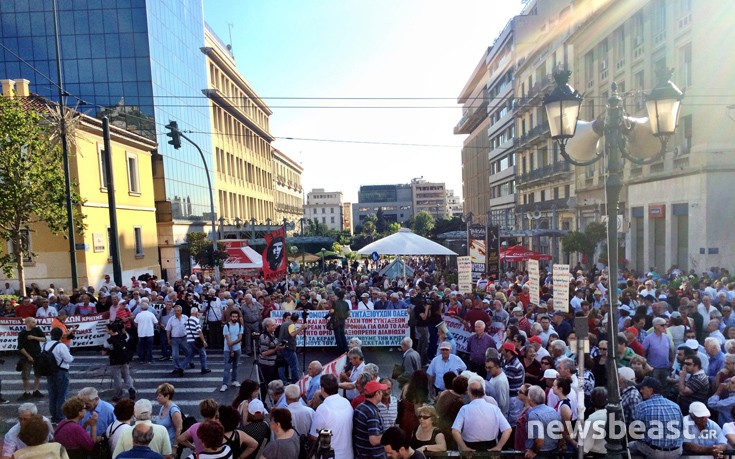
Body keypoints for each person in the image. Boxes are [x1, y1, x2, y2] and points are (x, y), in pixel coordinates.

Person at [628, 376, 683, 458]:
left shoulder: (641, 407)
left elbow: (637, 434)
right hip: (675, 451)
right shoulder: (675, 406)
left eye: (643, 388)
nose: (641, 390)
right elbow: (682, 429)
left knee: (629, 446)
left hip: (654, 452)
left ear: (650, 390)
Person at [452, 380, 511, 452]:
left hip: (470, 448)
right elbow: (508, 429)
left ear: (470, 394)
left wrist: (464, 447)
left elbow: (455, 431)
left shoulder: (465, 409)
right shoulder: (494, 408)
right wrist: (499, 446)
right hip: (490, 448)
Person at [309, 374, 354, 459]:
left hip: (331, 456)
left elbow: (314, 436)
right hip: (348, 454)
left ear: (322, 389)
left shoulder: (323, 409)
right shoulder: (346, 402)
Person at [43, 327, 73, 423]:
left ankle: (54, 416)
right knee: (61, 395)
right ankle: (60, 416)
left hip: (49, 372)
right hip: (61, 371)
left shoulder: (45, 345)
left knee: (52, 394)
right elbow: (68, 359)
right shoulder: (61, 346)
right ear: (61, 336)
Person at [352, 379, 387, 458]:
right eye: (381, 391)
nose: (382, 394)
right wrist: (389, 435)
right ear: (377, 393)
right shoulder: (371, 413)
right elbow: (374, 440)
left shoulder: (359, 407)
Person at [525, 385, 562, 458]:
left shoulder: (534, 415)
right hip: (553, 451)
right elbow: (560, 432)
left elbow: (539, 440)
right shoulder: (553, 411)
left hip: (540, 454)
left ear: (530, 399)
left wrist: (533, 452)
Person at [103, 321, 136, 401]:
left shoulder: (109, 341)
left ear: (111, 330)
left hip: (115, 362)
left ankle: (118, 395)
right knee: (127, 376)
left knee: (117, 379)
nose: (105, 329)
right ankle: (131, 388)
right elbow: (128, 337)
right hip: (125, 360)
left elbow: (105, 350)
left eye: (107, 328)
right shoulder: (124, 336)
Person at [17, 316, 45, 400]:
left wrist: (33, 337)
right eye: (33, 322)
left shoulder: (37, 330)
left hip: (37, 355)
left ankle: (35, 390)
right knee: (25, 375)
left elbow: (44, 339)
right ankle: (27, 392)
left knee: (38, 374)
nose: (35, 323)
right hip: (26, 357)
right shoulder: (22, 333)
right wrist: (28, 356)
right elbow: (20, 347)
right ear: (28, 323)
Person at [278, 312, 308, 384]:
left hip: (281, 346)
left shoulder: (284, 324)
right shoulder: (291, 325)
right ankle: (295, 382)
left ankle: (282, 381)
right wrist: (301, 328)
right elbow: (292, 334)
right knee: (294, 366)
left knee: (281, 365)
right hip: (289, 347)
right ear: (297, 320)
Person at [154, 383, 183, 454]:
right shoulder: (163, 407)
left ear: (167, 396)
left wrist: (175, 447)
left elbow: (179, 429)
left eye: (159, 396)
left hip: (170, 446)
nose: (157, 398)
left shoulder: (174, 410)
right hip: (163, 446)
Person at [166, 305, 194, 377]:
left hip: (184, 338)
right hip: (175, 339)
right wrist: (168, 339)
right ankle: (177, 368)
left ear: (181, 311)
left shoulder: (185, 317)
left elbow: (189, 327)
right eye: (175, 311)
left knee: (188, 352)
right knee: (175, 355)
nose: (177, 312)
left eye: (178, 311)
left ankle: (190, 362)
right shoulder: (171, 319)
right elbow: (168, 330)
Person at [221, 310, 244, 392]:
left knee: (235, 366)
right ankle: (224, 384)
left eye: (236, 317)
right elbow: (228, 340)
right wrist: (231, 351)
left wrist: (233, 343)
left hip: (237, 348)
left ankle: (234, 380)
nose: (234, 318)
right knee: (227, 367)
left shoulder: (240, 326)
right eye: (233, 316)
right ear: (230, 317)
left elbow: (240, 338)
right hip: (228, 350)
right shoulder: (226, 326)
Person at [185, 307, 211, 374]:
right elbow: (199, 332)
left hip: (189, 339)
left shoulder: (187, 320)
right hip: (196, 340)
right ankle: (204, 368)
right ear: (196, 313)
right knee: (203, 354)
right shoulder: (196, 320)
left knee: (190, 355)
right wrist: (204, 341)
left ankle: (181, 368)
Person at [583, 387, 608, 457]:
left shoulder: (593, 418)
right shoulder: (612, 414)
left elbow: (584, 449)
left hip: (597, 455)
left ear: (591, 400)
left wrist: (570, 440)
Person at [331, 289, 350, 353]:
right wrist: (344, 317)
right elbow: (348, 313)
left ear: (338, 296)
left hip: (336, 321)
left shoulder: (335, 303)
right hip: (342, 321)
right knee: (342, 335)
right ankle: (346, 349)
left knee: (338, 336)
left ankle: (340, 350)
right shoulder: (346, 303)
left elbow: (332, 311)